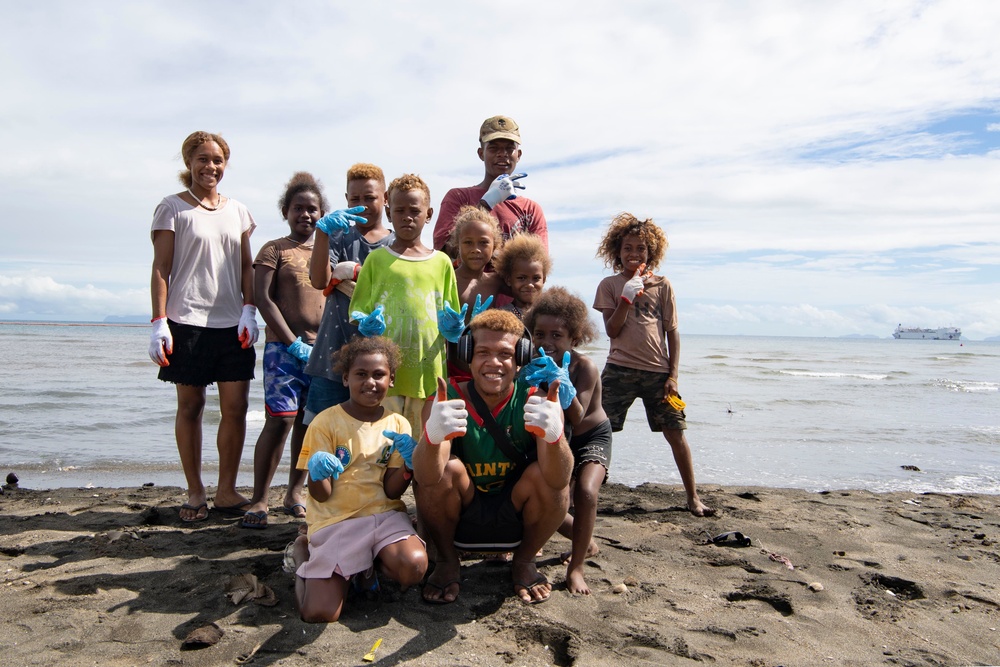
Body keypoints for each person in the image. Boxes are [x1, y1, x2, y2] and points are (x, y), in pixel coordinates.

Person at [413, 309, 573, 605]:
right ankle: (448, 561)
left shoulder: (535, 399)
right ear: (468, 356)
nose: (494, 363)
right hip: (460, 515)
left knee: (546, 476)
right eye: (483, 352)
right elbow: (426, 478)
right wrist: (432, 437)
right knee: (447, 469)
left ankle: (524, 561)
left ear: (520, 359)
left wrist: (555, 436)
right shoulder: (447, 397)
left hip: (516, 514)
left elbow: (558, 480)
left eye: (505, 354)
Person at [148, 131, 258, 523]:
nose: (210, 167)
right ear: (188, 162)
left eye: (217, 160)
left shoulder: (239, 211)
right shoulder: (172, 208)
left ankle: (226, 490)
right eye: (203, 159)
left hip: (232, 324)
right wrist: (159, 321)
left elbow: (246, 266)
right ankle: (195, 490)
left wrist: (250, 309)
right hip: (186, 321)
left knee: (236, 407)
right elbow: (162, 268)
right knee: (191, 406)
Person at [290, 336, 427, 623]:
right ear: (345, 378)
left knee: (413, 567)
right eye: (361, 374)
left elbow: (392, 492)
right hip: (336, 520)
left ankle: (367, 566)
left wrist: (408, 467)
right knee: (318, 613)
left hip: (383, 516)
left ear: (391, 380)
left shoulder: (397, 424)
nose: (370, 382)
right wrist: (317, 471)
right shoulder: (325, 423)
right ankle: (304, 553)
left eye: (379, 375)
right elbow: (322, 495)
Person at [593, 213, 715, 517]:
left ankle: (692, 497)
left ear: (652, 253)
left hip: (658, 373)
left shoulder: (663, 285)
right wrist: (626, 297)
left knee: (676, 431)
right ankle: (580, 491)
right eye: (628, 248)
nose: (634, 254)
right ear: (616, 252)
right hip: (619, 369)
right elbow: (611, 329)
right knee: (598, 429)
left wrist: (673, 375)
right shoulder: (609, 285)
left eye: (641, 249)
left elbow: (672, 332)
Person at [242, 173, 328, 529]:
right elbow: (263, 298)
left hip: (322, 351)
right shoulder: (274, 249)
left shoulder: (328, 249)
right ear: (285, 211)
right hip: (283, 349)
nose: (305, 215)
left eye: (312, 209)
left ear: (322, 213)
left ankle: (295, 491)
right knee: (281, 420)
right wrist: (291, 340)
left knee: (309, 425)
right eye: (298, 208)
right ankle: (259, 498)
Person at [348, 173, 460, 437]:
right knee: (386, 447)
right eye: (399, 210)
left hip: (428, 372)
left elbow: (453, 318)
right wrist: (365, 322)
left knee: (424, 444)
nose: (407, 217)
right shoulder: (376, 260)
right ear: (388, 212)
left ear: (429, 213)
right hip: (386, 373)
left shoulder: (442, 262)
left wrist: (454, 328)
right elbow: (357, 310)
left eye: (415, 210)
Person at [522, 287, 611, 595]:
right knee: (548, 494)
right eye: (540, 334)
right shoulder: (533, 363)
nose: (547, 342)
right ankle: (585, 543)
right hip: (559, 437)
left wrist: (561, 382)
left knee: (585, 492)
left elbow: (577, 415)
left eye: (557, 335)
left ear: (575, 338)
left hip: (589, 434)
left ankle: (576, 568)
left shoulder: (584, 367)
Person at [304, 163, 394, 424]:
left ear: (385, 198)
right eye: (355, 198)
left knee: (371, 439)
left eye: (370, 197)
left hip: (378, 364)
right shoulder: (338, 237)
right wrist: (322, 232)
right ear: (346, 199)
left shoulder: (395, 243)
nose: (362, 204)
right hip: (331, 357)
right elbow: (319, 281)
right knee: (319, 430)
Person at [433, 115, 547, 259]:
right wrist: (485, 205)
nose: (502, 154)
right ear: (481, 154)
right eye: (493, 148)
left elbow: (538, 263)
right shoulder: (458, 197)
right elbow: (444, 253)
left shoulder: (530, 209)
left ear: (518, 155)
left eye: (509, 149)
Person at [493, 233, 550, 321]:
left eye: (536, 278)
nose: (530, 285)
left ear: (544, 279)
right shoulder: (500, 317)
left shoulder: (552, 314)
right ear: (508, 280)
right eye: (522, 278)